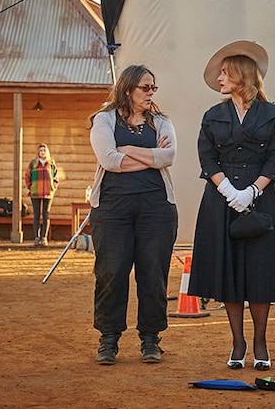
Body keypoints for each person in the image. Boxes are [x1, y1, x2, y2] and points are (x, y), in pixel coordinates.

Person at [188, 40, 275, 372]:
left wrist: (253, 192)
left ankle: (260, 340)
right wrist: (229, 189)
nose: (219, 78)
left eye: (224, 72)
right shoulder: (213, 115)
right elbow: (207, 157)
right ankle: (238, 341)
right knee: (228, 271)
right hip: (221, 200)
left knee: (260, 272)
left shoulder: (274, 115)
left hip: (260, 200)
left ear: (242, 74)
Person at [88, 64, 178, 365]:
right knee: (111, 272)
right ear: (128, 89)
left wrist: (128, 149)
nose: (151, 93)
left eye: (154, 87)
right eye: (145, 87)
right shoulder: (103, 120)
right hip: (112, 209)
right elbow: (109, 160)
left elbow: (169, 156)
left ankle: (151, 339)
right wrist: (151, 157)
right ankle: (108, 340)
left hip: (157, 208)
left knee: (153, 274)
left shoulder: (161, 122)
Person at [24, 144, 58, 246]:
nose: (42, 152)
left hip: (48, 193)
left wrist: (53, 187)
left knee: (46, 214)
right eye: (40, 150)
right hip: (35, 193)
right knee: (36, 215)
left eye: (44, 150)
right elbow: (27, 177)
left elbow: (56, 177)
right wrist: (31, 187)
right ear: (38, 152)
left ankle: (44, 237)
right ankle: (36, 237)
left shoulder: (51, 163)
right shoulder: (33, 163)